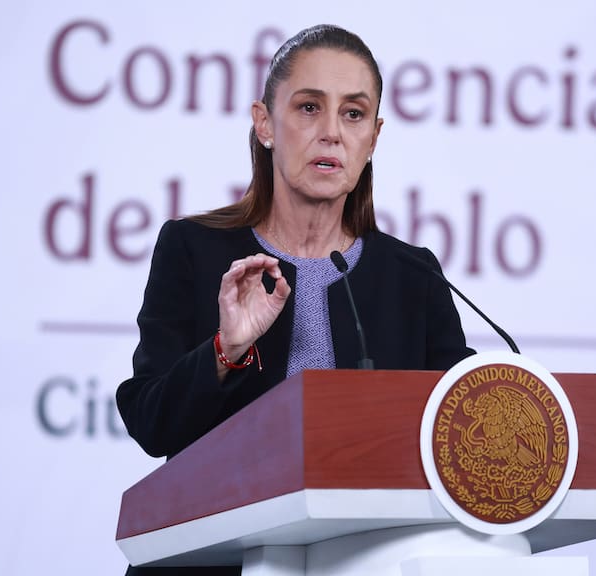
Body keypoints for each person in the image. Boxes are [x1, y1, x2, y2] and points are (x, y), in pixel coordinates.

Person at [116, 23, 475, 575]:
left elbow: (461, 428)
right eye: (309, 108)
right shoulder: (194, 249)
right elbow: (151, 422)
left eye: (353, 114)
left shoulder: (412, 276)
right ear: (264, 123)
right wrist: (225, 351)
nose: (331, 133)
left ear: (374, 138)